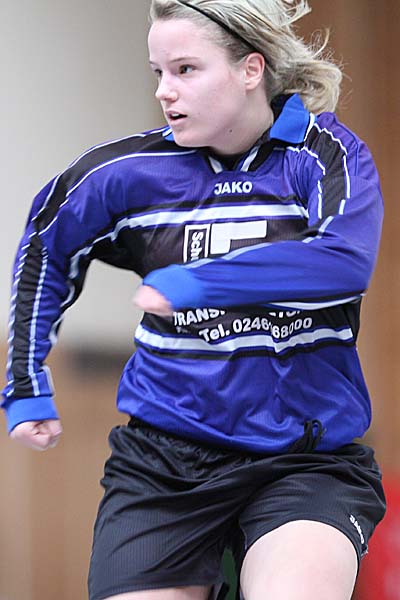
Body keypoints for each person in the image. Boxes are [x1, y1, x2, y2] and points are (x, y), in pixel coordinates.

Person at [2, 0, 386, 598]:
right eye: (158, 72)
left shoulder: (323, 155)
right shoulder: (128, 172)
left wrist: (201, 281)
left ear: (251, 69)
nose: (164, 90)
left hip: (304, 461)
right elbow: (45, 245)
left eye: (185, 69)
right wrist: (25, 380)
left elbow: (343, 261)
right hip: (163, 466)